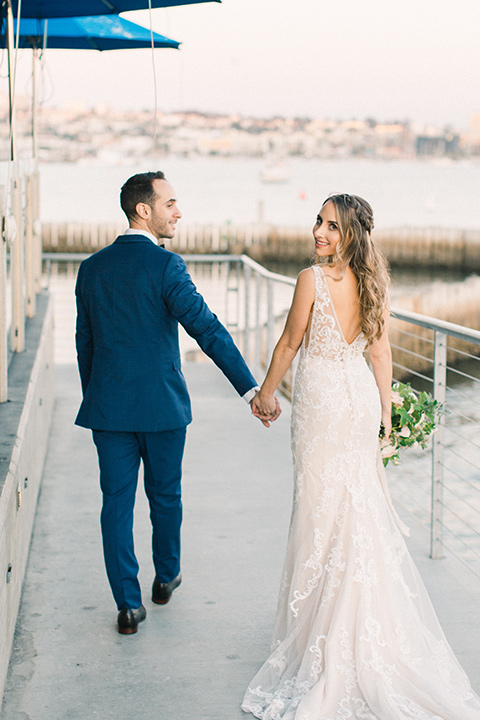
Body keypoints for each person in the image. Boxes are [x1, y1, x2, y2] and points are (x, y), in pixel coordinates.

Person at [244, 194, 480, 718]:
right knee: (357, 509)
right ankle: (357, 628)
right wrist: (385, 415)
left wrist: (265, 394)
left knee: (319, 511)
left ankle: (322, 638)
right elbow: (381, 352)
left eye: (331, 225)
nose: (319, 232)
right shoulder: (373, 282)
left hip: (325, 404)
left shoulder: (312, 278)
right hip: (357, 400)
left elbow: (287, 344)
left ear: (350, 232)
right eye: (318, 222)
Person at [75, 171, 280, 635]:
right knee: (165, 496)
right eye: (170, 203)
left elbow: (84, 343)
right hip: (162, 408)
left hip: (109, 409)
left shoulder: (91, 269)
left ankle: (128, 607)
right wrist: (251, 389)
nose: (178, 212)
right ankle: (166, 576)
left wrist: (98, 397)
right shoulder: (167, 267)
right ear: (143, 210)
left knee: (115, 505)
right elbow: (206, 329)